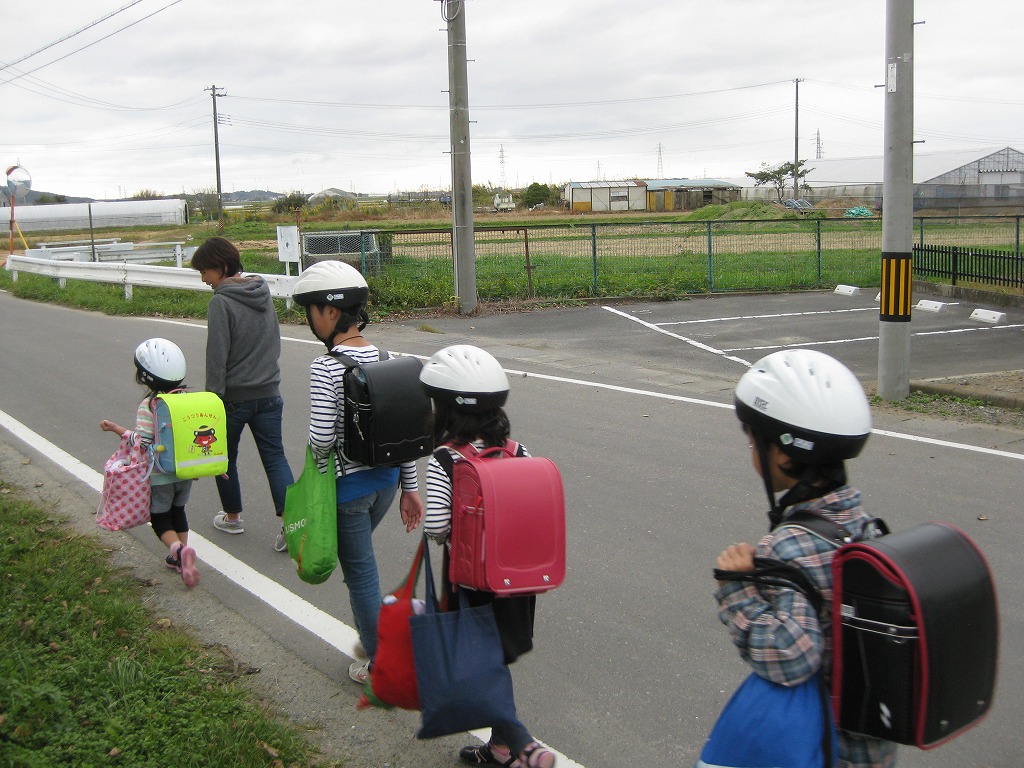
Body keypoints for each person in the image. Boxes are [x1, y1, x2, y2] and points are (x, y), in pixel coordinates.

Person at [713, 349, 897, 768]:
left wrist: (736, 589)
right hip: (873, 748)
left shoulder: (791, 545)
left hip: (827, 749)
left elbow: (793, 656)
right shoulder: (861, 524)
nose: (750, 449)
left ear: (780, 451)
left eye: (752, 439)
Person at [419, 344, 556, 768]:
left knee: (479, 665)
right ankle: (502, 748)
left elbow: (436, 526)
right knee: (496, 659)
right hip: (517, 580)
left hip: (470, 583)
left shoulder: (446, 459)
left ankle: (520, 744)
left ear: (444, 411)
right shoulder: (520, 452)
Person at [290, 260, 424, 683]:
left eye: (310, 310)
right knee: (360, 565)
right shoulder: (388, 359)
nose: (310, 320)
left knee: (361, 577)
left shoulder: (325, 365)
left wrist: (312, 468)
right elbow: (403, 434)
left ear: (329, 313)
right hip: (386, 485)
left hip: (347, 492)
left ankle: (382, 661)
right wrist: (410, 489)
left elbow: (323, 439)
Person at [191, 236, 294, 551]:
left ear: (221, 267)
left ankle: (233, 517)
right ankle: (292, 526)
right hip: (269, 392)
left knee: (225, 458)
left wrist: (213, 400)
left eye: (205, 272)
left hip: (234, 398)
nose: (204, 280)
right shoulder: (262, 293)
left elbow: (216, 356)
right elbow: (273, 341)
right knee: (275, 457)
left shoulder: (221, 301)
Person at [100, 338, 200, 589]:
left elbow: (142, 442)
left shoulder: (150, 405)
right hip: (186, 471)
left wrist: (117, 430)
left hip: (161, 474)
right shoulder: (187, 400)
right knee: (179, 512)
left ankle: (177, 550)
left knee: (159, 517)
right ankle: (181, 555)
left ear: (146, 376)